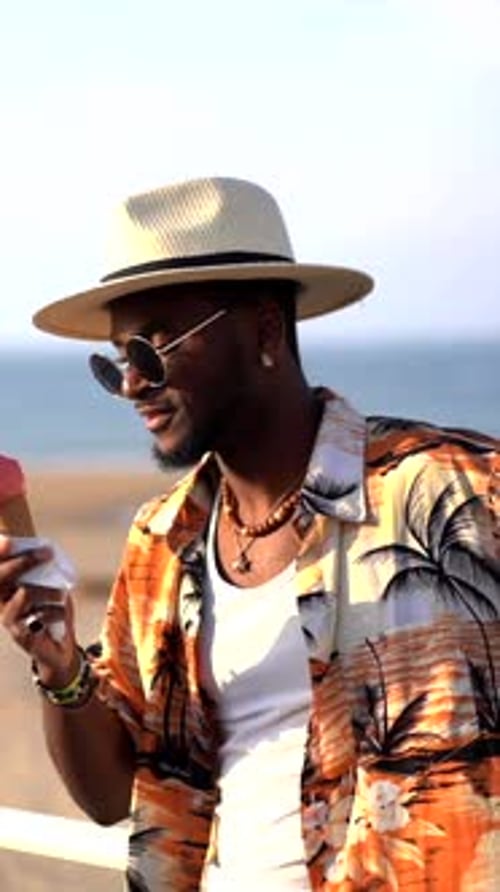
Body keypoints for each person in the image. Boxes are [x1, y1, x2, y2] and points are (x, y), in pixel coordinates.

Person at [0, 176, 499, 892]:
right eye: (115, 362)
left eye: (154, 347)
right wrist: (58, 665)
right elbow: (110, 798)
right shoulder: (163, 541)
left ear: (265, 329)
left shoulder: (450, 490)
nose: (133, 383)